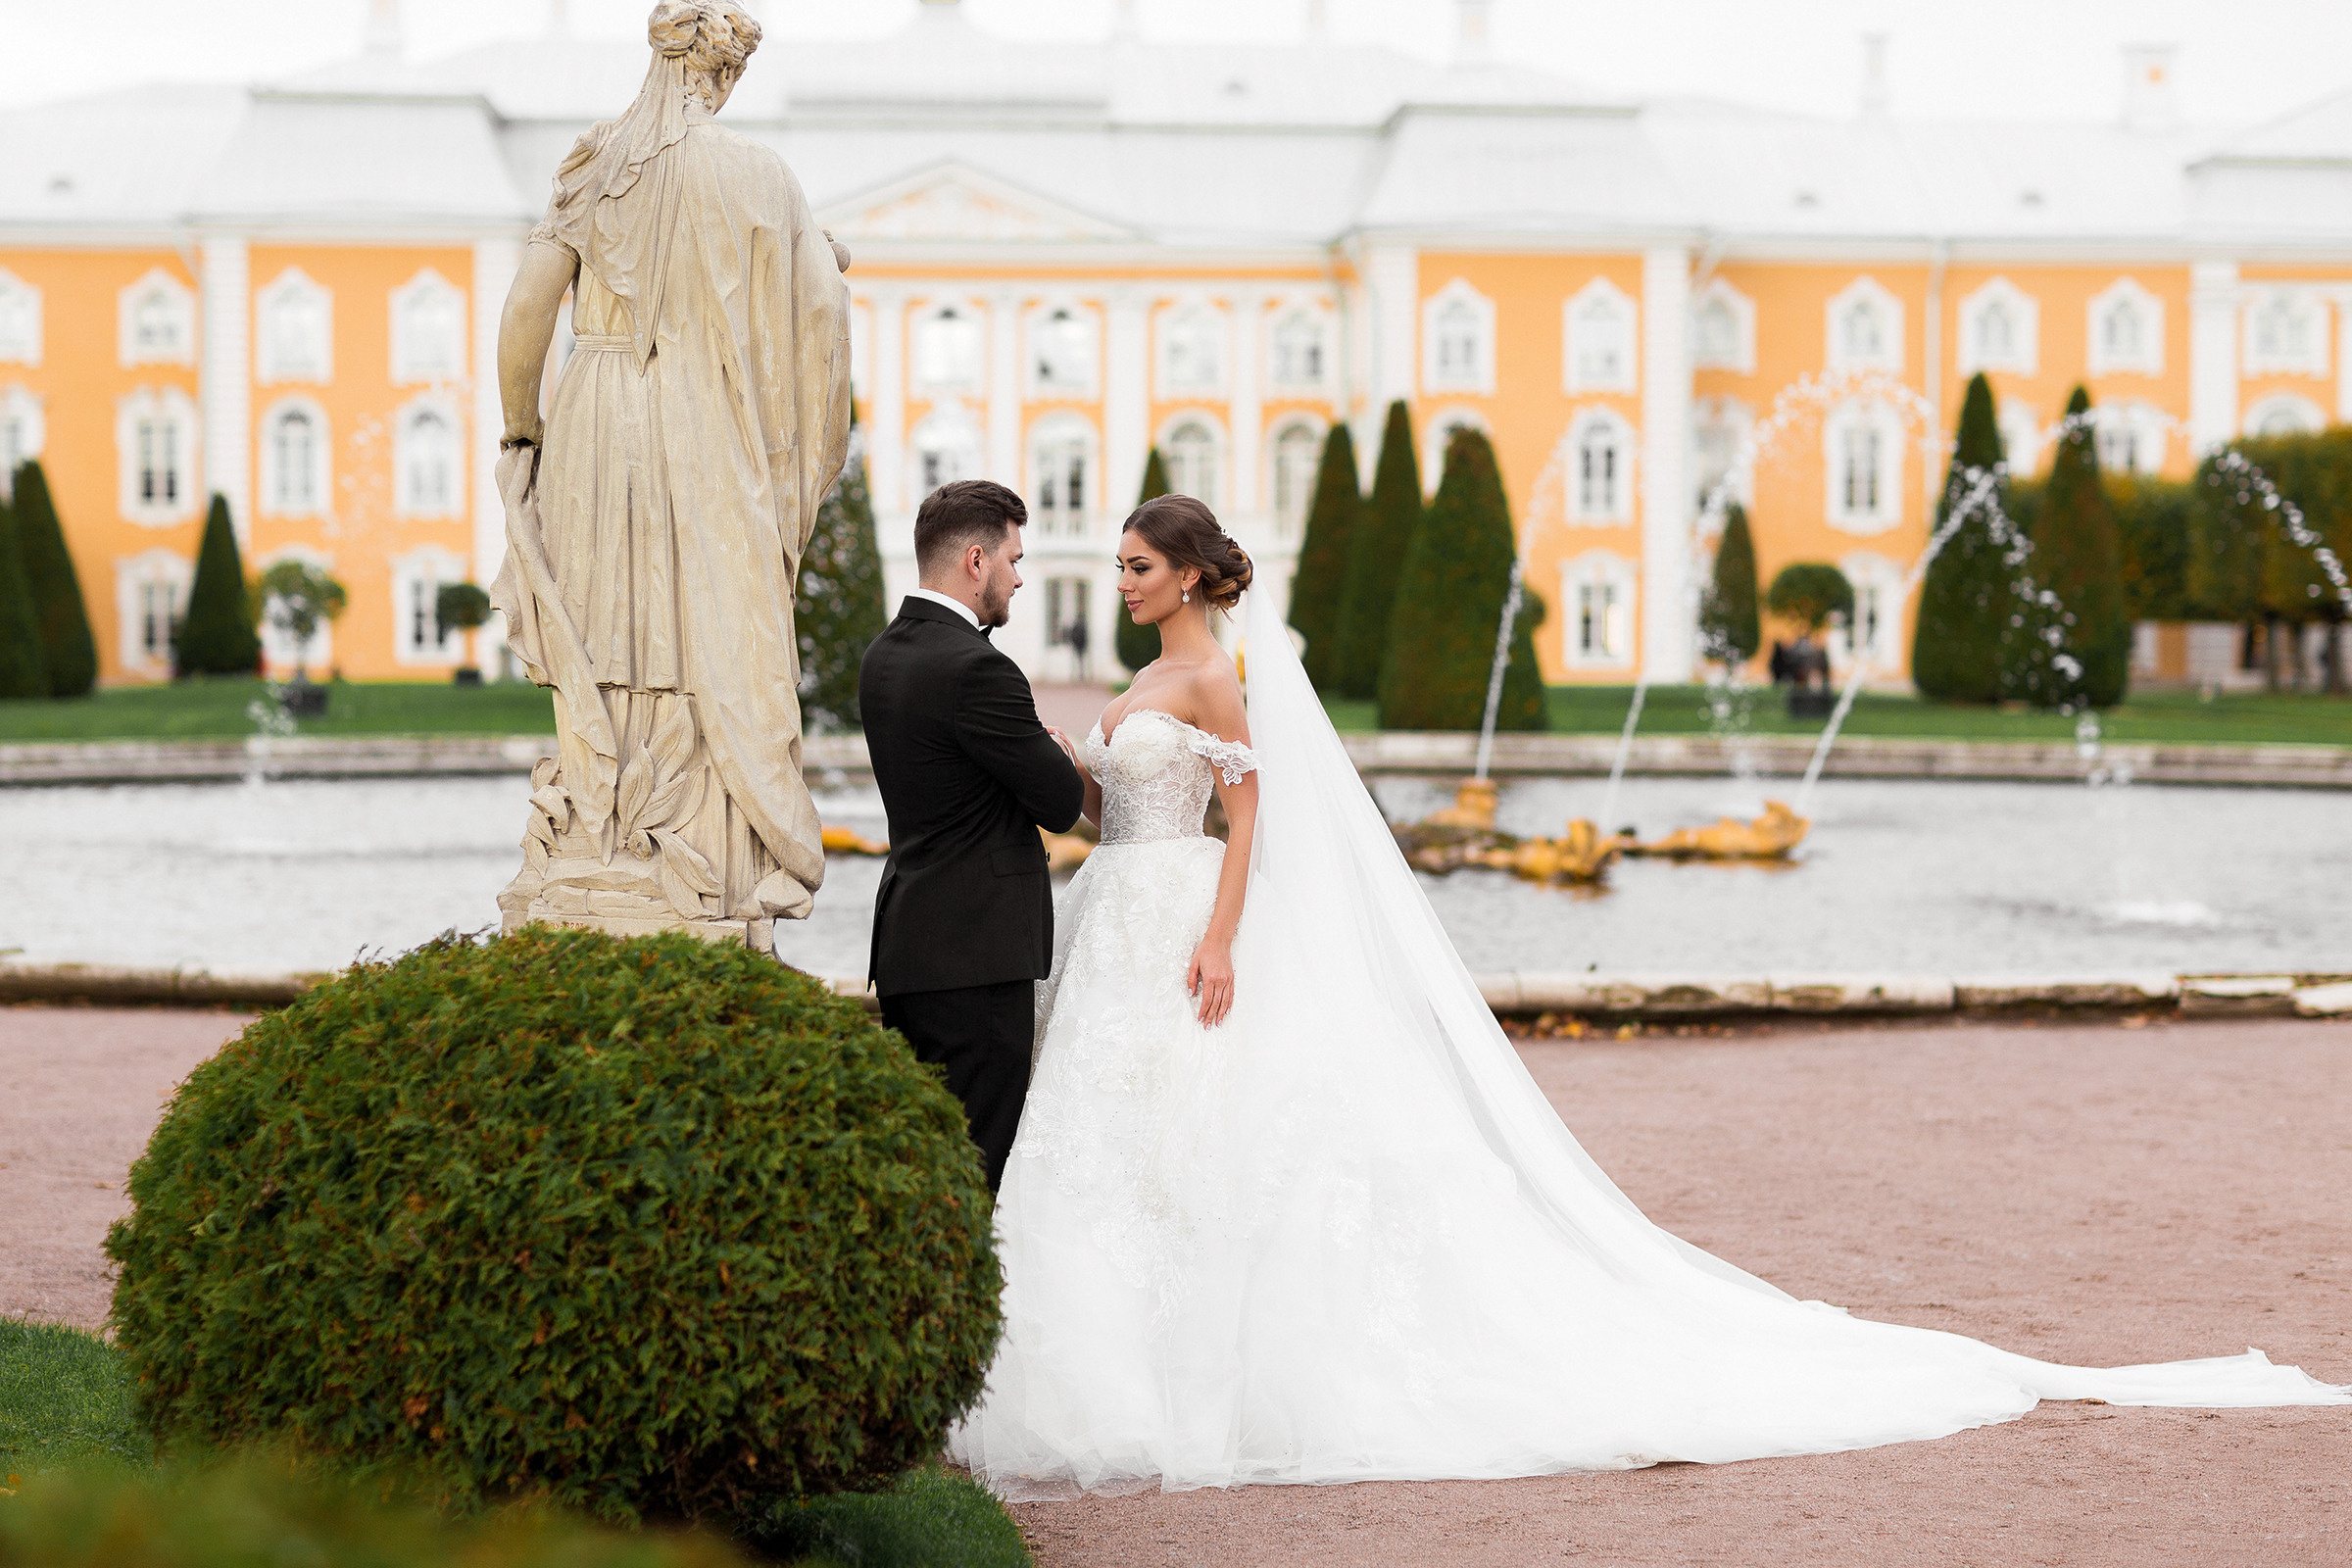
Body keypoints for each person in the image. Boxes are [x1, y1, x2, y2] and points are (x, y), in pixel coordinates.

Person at [949, 495, 2346, 1501]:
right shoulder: (1150, 674)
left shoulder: (1216, 676)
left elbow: (1254, 819)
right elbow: (1121, 799)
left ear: (1195, 574)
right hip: (1117, 919)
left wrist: (1223, 939)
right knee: (1130, 1144)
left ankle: (1188, 1367)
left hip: (1182, 924)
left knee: (1202, 1126)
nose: (1121, 579)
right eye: (1119, 565)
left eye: (1138, 564)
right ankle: (1117, 1353)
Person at [489, 0, 851, 934]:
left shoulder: (595, 163)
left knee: (604, 621)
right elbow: (818, 318)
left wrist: (522, 434)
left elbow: (527, 311)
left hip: (597, 409)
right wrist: (818, 267)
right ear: (720, 74)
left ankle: (596, 837)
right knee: (709, 623)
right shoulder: (762, 177)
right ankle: (700, 852)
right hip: (706, 422)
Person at [858, 480, 1084, 1193]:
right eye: (1014, 560)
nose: (1019, 578)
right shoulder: (978, 669)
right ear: (976, 560)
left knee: (924, 1165)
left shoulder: (882, 654)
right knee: (980, 1170)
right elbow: (1061, 802)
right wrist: (1051, 748)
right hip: (977, 959)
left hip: (910, 948)